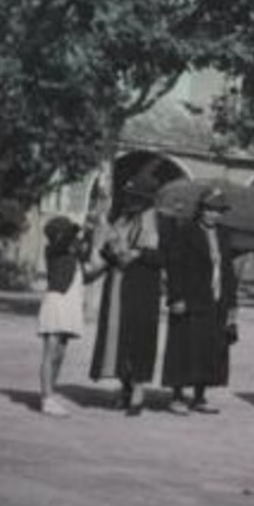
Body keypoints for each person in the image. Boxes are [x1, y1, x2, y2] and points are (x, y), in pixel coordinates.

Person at [88, 168, 164, 417]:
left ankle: (139, 392)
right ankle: (125, 387)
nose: (132, 202)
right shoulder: (121, 219)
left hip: (143, 289)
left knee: (139, 339)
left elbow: (166, 257)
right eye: (130, 196)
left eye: (137, 198)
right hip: (118, 285)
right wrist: (113, 251)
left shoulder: (160, 221)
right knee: (118, 338)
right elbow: (106, 252)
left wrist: (139, 254)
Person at [160, 188, 239, 415]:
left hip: (216, 301)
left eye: (218, 211)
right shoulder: (185, 232)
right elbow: (174, 266)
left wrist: (232, 303)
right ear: (201, 209)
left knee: (209, 348)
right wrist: (176, 298)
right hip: (190, 300)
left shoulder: (224, 234)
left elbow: (227, 270)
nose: (213, 215)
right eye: (209, 209)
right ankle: (176, 396)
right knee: (183, 347)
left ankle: (199, 396)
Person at [36, 215, 95, 417]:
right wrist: (80, 227)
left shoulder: (71, 256)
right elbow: (66, 240)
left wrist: (107, 265)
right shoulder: (52, 250)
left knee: (60, 355)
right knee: (50, 352)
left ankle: (50, 393)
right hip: (56, 302)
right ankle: (46, 398)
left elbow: (86, 277)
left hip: (70, 306)